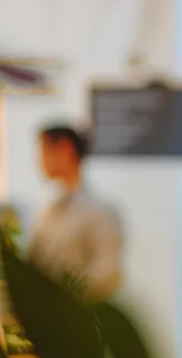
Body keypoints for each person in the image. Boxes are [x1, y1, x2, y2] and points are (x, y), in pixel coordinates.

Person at [31, 125, 124, 299]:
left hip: (79, 316)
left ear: (65, 149)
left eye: (44, 151)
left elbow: (109, 274)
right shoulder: (49, 211)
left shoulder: (100, 212)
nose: (40, 160)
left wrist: (62, 292)